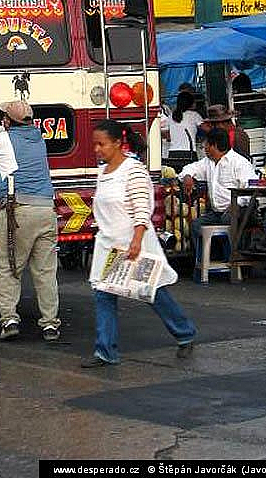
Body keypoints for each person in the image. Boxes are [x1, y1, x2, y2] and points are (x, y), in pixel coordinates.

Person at [82, 119, 196, 367]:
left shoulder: (133, 170)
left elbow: (142, 210)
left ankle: (184, 333)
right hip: (109, 245)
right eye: (95, 145)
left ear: (117, 143)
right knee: (103, 294)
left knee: (152, 292)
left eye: (101, 144)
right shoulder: (103, 173)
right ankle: (105, 351)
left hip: (134, 243)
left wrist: (136, 241)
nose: (97, 149)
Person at [0, 97, 60, 342]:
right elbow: (0, 133)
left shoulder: (2, 141)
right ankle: (50, 325)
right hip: (47, 212)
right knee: (45, 272)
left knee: (7, 268)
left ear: (8, 120)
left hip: (19, 212)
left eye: (4, 117)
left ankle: (9, 320)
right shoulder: (38, 138)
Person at [179, 127, 257, 242]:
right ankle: (205, 258)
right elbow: (190, 168)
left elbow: (251, 189)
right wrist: (187, 176)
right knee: (196, 225)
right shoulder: (208, 162)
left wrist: (236, 204)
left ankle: (230, 256)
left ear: (214, 146)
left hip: (239, 212)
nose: (204, 148)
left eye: (206, 144)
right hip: (216, 213)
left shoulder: (239, 163)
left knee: (227, 219)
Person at [164, 90, 203, 168]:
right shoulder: (194, 115)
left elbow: (166, 134)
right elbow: (207, 129)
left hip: (173, 154)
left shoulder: (171, 116)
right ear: (190, 103)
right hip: (189, 153)